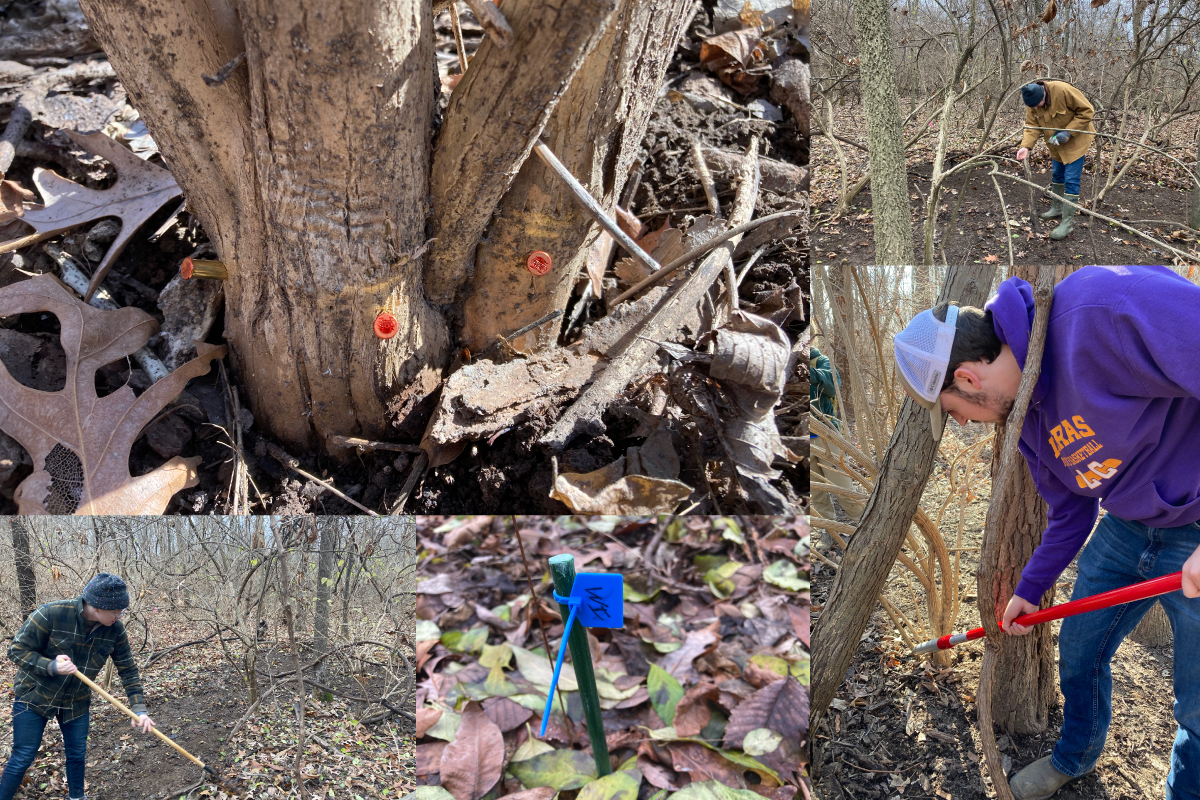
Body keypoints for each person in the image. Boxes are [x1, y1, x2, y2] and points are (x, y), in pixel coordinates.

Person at [892, 265, 1200, 800]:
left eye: (954, 412)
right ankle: (1074, 757)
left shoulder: (1100, 310)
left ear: (966, 377)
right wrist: (1029, 590)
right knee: (1080, 654)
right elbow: (1071, 511)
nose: (962, 423)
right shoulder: (1028, 418)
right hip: (1128, 528)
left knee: (1197, 702)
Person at [1, 574, 156, 800]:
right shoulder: (50, 614)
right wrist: (51, 665)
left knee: (76, 755)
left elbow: (128, 669)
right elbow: (16, 650)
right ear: (96, 606)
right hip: (35, 696)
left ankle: (77, 797)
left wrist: (139, 708)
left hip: (76, 701)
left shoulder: (115, 630)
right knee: (23, 755)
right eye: (116, 612)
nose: (120, 616)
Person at [1014, 80, 1096, 241]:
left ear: (1043, 93)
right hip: (1055, 142)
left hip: (1076, 140)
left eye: (1039, 104)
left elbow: (1087, 111)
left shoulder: (1063, 90)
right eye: (1033, 107)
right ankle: (1057, 208)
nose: (1036, 108)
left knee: (1071, 179)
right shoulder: (1032, 103)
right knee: (1057, 175)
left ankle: (1067, 223)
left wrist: (1068, 132)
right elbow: (1032, 126)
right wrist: (1026, 147)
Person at [810, 346, 866, 526]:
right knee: (816, 492)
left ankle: (864, 523)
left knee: (843, 488)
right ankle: (829, 528)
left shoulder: (820, 361)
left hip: (826, 435)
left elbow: (833, 386)